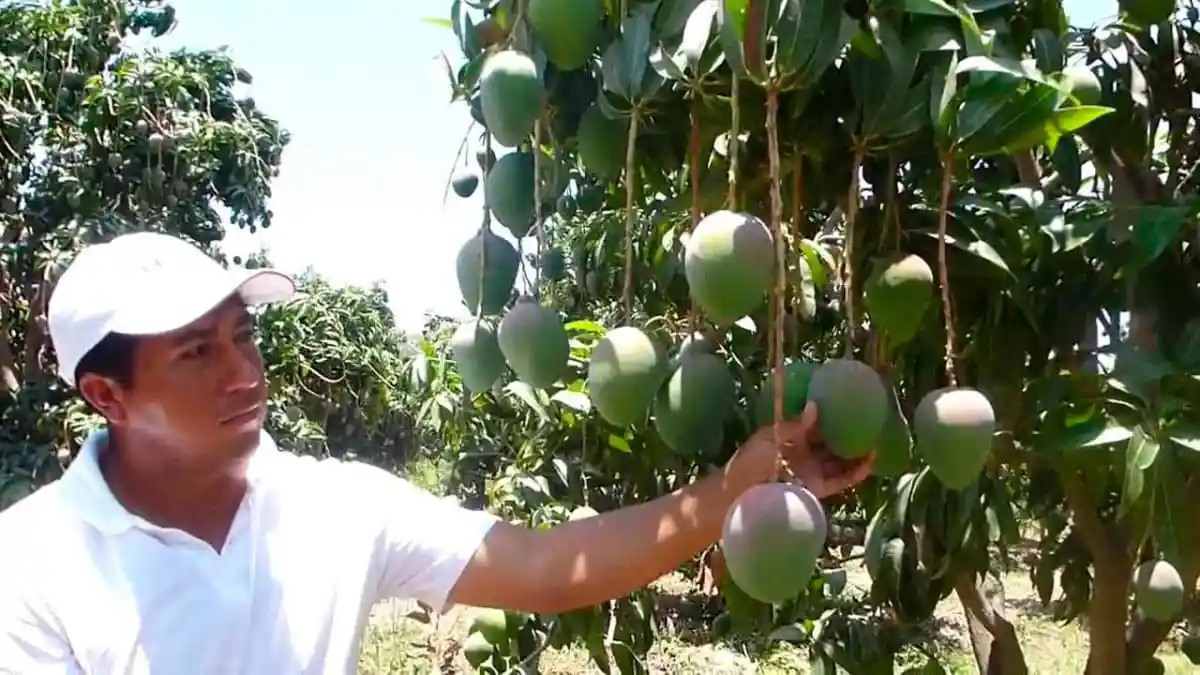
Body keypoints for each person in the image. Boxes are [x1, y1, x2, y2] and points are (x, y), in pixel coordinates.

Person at [0, 231, 873, 674]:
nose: (243, 371)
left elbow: (543, 566)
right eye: (196, 352)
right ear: (105, 395)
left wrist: (735, 487)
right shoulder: (32, 567)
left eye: (242, 335)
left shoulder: (330, 507)